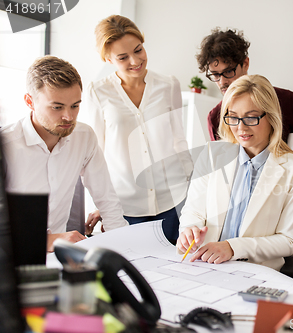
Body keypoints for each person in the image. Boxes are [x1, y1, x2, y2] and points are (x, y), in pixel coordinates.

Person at [177, 75, 293, 270]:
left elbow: (289, 240)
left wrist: (232, 248)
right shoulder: (211, 154)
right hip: (205, 265)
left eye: (250, 117)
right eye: (233, 117)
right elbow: (193, 211)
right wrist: (189, 230)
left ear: (271, 116)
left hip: (257, 271)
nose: (240, 127)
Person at [0, 56, 128, 252]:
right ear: (30, 101)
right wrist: (49, 240)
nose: (69, 117)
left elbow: (107, 200)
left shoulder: (84, 137)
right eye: (57, 107)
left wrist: (125, 248)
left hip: (56, 260)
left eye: (75, 105)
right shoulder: (6, 145)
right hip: (11, 258)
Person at [85, 15, 193, 244]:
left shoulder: (168, 84)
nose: (135, 61)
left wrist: (192, 192)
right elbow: (97, 155)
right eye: (123, 57)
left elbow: (178, 140)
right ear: (107, 58)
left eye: (139, 50)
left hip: (172, 200)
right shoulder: (98, 92)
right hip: (126, 206)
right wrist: (101, 205)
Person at [197, 28, 293, 155]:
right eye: (215, 75)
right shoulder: (215, 117)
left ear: (245, 64)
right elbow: (222, 166)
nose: (222, 81)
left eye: (229, 71)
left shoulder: (286, 100)